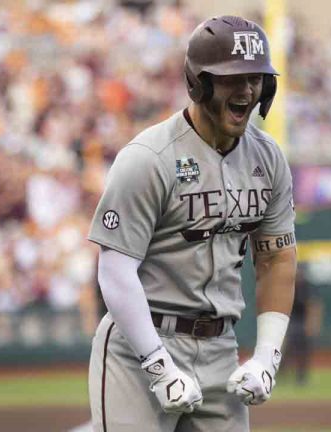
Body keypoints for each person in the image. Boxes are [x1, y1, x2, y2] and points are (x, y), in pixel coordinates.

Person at [86, 15, 297, 432]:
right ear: (199, 83)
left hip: (221, 347)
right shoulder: (148, 157)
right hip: (140, 345)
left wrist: (267, 356)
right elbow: (114, 269)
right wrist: (158, 364)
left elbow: (277, 259)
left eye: (255, 78)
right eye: (232, 79)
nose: (247, 90)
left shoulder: (268, 158)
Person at [283, 265, 324, 386]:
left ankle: (301, 377)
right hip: (292, 321)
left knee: (304, 351)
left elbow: (314, 306)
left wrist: (312, 324)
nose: (298, 275)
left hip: (303, 322)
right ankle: (281, 373)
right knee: (288, 349)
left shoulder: (307, 287)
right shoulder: (290, 286)